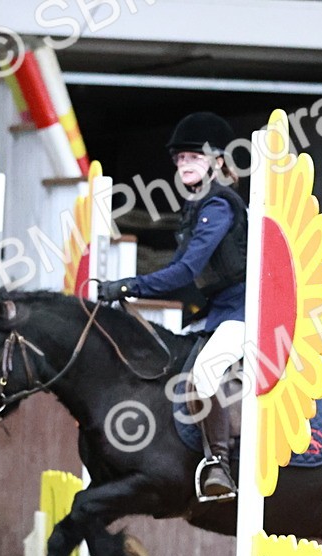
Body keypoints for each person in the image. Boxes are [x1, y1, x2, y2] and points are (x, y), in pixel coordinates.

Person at [98, 112, 246, 501]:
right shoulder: (196, 206)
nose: (184, 165)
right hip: (218, 311)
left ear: (216, 160)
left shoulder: (220, 207)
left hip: (247, 312)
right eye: (179, 159)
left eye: (193, 157)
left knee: (206, 372)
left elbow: (186, 270)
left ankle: (219, 465)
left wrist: (130, 285)